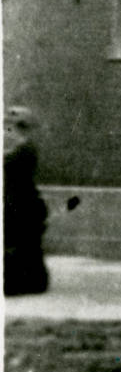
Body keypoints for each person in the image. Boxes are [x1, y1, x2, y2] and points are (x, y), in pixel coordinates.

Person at [5, 104, 50, 296]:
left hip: (20, 204)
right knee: (27, 246)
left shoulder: (24, 149)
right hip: (23, 203)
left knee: (23, 244)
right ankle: (30, 279)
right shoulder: (24, 148)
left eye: (10, 127)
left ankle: (25, 281)